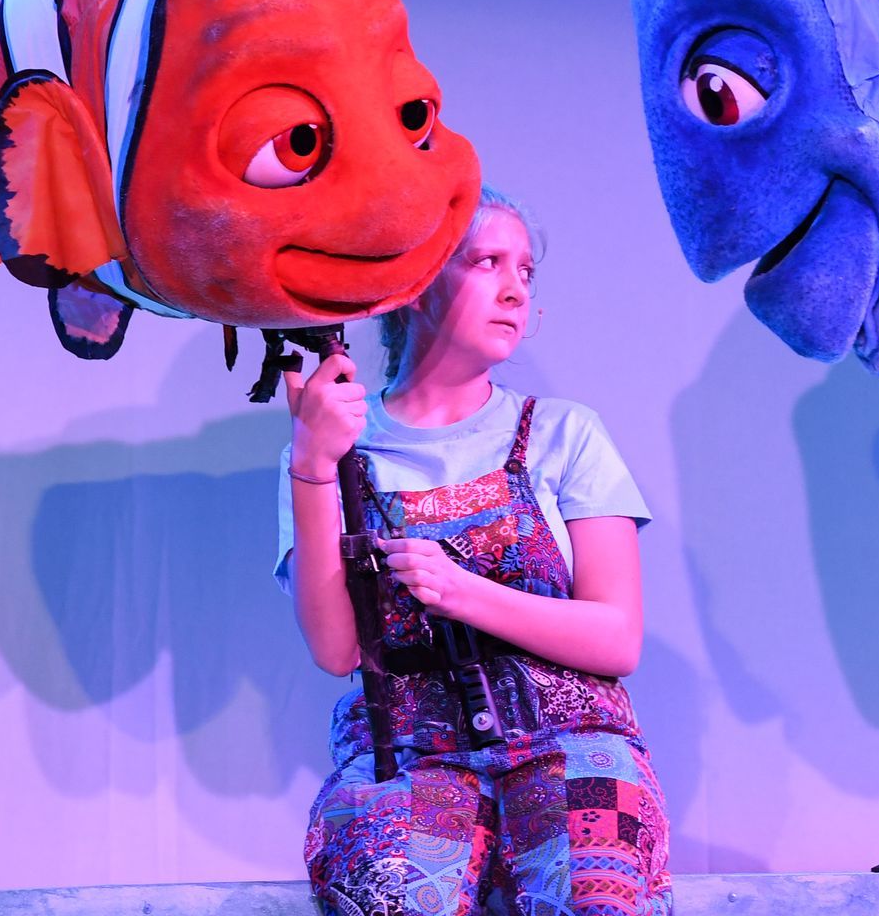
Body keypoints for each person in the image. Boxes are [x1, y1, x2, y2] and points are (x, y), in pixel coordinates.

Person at [277, 187, 672, 916]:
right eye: (486, 262)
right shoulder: (334, 448)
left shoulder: (564, 433)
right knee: (392, 896)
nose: (515, 289)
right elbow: (336, 650)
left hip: (569, 740)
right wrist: (311, 464)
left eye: (525, 271)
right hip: (407, 753)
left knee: (596, 896)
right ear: (415, 282)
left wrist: (462, 591)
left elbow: (616, 636)